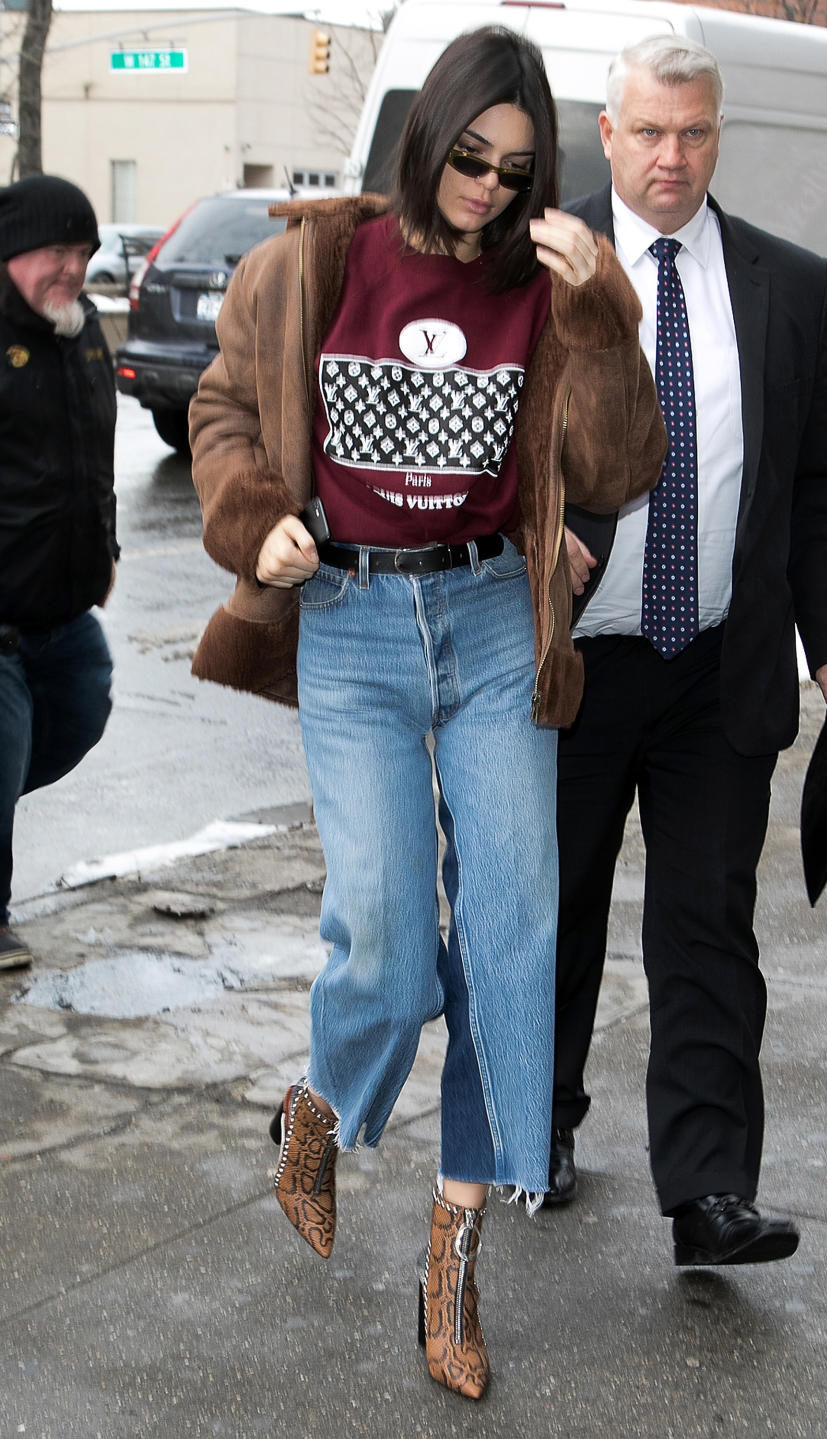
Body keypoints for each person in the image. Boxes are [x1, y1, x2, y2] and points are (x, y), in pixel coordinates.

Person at [189, 26, 664, 1399]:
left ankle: (451, 1253)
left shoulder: (549, 290)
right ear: (427, 136)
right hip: (350, 626)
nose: (488, 190)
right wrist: (258, 521)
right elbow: (221, 417)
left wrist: (602, 316)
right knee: (390, 945)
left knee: (511, 934)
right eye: (469, 159)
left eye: (516, 172)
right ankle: (320, 1105)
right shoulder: (315, 265)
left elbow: (620, 465)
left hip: (487, 622)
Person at [545, 35, 827, 1269]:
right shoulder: (548, 267)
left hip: (720, 665)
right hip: (574, 663)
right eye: (649, 132)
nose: (672, 156)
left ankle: (707, 1191)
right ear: (608, 131)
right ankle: (542, 1121)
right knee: (557, 908)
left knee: (706, 927)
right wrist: (547, 543)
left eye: (694, 132)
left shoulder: (791, 283)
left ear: (719, 133)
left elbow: (819, 482)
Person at [0, 175, 117, 972]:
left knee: (83, 705)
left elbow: (93, 449)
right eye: (55, 251)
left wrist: (102, 545)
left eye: (82, 253)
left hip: (65, 608)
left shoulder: (84, 330)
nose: (71, 269)